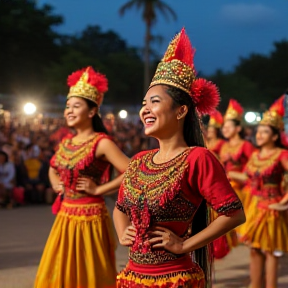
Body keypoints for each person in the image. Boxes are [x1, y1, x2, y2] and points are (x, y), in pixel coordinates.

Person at [113, 28, 245, 288]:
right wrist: (121, 231)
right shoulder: (139, 160)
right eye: (143, 103)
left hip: (174, 279)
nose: (145, 110)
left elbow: (234, 214)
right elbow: (120, 209)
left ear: (181, 110)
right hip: (132, 277)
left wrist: (185, 244)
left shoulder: (197, 158)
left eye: (154, 102)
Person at [34, 66, 130, 288]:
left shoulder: (101, 142)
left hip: (90, 218)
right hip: (65, 216)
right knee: (60, 271)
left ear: (91, 111)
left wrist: (99, 189)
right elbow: (52, 167)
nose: (69, 110)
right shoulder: (67, 142)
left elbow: (132, 170)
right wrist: (55, 182)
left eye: (76, 106)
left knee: (90, 275)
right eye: (67, 106)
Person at [229, 95, 288, 288]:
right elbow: (249, 178)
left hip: (272, 208)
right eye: (258, 131)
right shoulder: (255, 154)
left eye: (264, 132)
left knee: (270, 251)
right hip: (254, 206)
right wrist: (229, 175)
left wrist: (284, 202)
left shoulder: (281, 154)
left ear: (275, 136)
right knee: (254, 250)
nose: (259, 135)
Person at [220, 99, 255, 209]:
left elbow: (253, 168)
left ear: (238, 128)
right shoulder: (224, 145)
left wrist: (234, 161)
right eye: (224, 127)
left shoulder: (246, 145)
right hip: (225, 187)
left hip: (241, 188)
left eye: (228, 126)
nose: (225, 129)